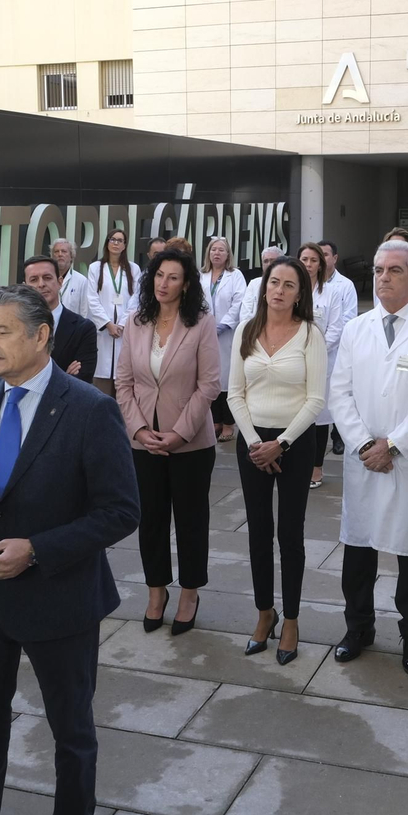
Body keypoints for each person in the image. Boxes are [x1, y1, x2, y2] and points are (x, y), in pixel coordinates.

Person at [0, 285, 139, 815]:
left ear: (41, 335)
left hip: (61, 602)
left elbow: (121, 511)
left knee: (71, 734)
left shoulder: (90, 410)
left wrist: (36, 551)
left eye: (1, 331)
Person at [329, 240, 408, 675]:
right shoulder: (355, 329)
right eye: (379, 269)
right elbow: (339, 392)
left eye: (395, 271)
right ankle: (358, 627)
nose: (383, 277)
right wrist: (365, 444)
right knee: (358, 551)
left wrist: (394, 445)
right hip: (364, 459)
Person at [115, 249, 221, 634]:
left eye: (173, 277)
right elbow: (123, 384)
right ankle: (156, 591)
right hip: (143, 442)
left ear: (187, 283)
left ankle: (189, 592)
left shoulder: (201, 324)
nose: (164, 283)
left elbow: (209, 385)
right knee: (151, 520)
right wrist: (140, 431)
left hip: (190, 443)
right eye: (159, 275)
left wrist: (179, 433)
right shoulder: (135, 321)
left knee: (191, 520)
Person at [228, 256, 327, 665]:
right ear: (264, 287)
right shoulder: (245, 331)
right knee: (258, 532)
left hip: (295, 443)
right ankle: (264, 612)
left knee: (290, 533)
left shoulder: (309, 335)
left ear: (300, 292)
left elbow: (316, 400)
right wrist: (255, 443)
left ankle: (291, 619)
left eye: (289, 284)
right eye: (274, 282)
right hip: (252, 443)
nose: (280, 290)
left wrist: (281, 444)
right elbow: (234, 393)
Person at [299, 242, 355, 489]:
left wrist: (317, 349)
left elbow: (337, 326)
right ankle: (297, 464)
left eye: (313, 260)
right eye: (304, 259)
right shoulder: (293, 289)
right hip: (295, 359)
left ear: (321, 264)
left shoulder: (331, 292)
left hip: (324, 358)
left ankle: (316, 467)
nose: (309, 264)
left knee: (319, 419)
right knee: (297, 414)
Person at [202, 236, 248, 442]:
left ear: (228, 254)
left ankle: (229, 423)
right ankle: (215, 420)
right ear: (208, 253)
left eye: (221, 250)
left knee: (228, 379)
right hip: (204, 333)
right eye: (214, 250)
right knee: (209, 376)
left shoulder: (235, 275)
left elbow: (239, 302)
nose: (217, 253)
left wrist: (223, 325)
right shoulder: (201, 275)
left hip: (227, 334)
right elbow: (193, 300)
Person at [24, 255, 97, 383]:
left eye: (47, 278)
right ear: (25, 287)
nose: (41, 284)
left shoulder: (83, 329)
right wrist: (64, 375)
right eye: (34, 279)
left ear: (60, 282)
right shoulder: (16, 327)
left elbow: (82, 380)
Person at [88, 228, 141, 396]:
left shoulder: (133, 269)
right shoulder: (95, 268)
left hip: (124, 331)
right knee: (101, 381)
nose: (116, 243)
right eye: (113, 239)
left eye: (120, 240)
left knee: (123, 381)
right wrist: (107, 324)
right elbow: (92, 298)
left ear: (125, 245)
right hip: (103, 331)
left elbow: (136, 299)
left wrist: (122, 324)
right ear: (107, 243)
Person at [319, 240, 356, 454]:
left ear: (335, 258)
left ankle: (338, 434)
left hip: (337, 349)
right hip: (314, 348)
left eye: (325, 255)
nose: (322, 259)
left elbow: (348, 317)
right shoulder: (307, 283)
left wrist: (324, 342)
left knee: (339, 394)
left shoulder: (345, 285)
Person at [51, 238, 105, 327]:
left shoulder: (81, 281)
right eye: (56, 252)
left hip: (72, 332)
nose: (60, 254)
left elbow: (85, 312)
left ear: (71, 256)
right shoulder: (46, 280)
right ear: (52, 256)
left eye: (64, 251)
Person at [239, 246, 285, 324]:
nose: (269, 264)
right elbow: (245, 313)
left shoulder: (286, 284)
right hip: (255, 330)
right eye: (265, 261)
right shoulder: (254, 283)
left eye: (273, 260)